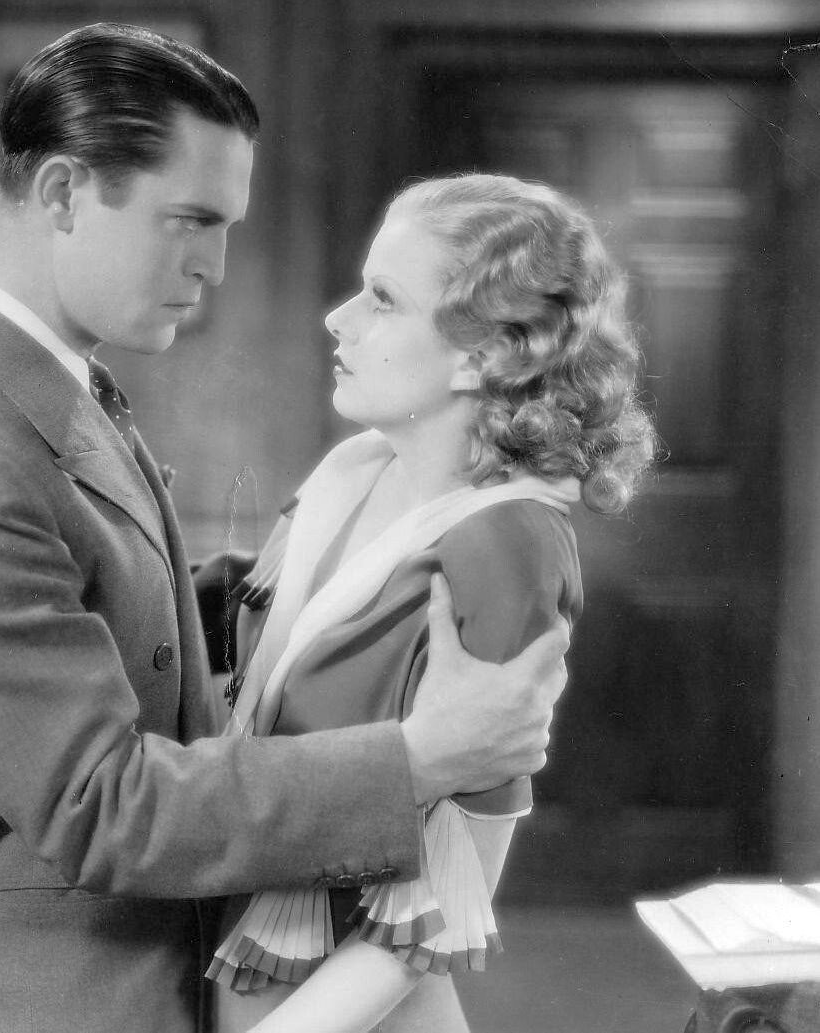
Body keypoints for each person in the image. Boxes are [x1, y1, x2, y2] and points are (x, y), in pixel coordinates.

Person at [0, 25, 570, 1033]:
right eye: (190, 220)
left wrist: (332, 583)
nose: (217, 265)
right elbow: (101, 804)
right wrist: (421, 757)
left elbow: (100, 603)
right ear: (62, 192)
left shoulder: (38, 379)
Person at [207, 173, 656, 1033]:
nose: (338, 319)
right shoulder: (352, 476)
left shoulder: (507, 541)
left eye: (382, 299)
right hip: (247, 976)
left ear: (483, 354)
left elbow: (457, 888)